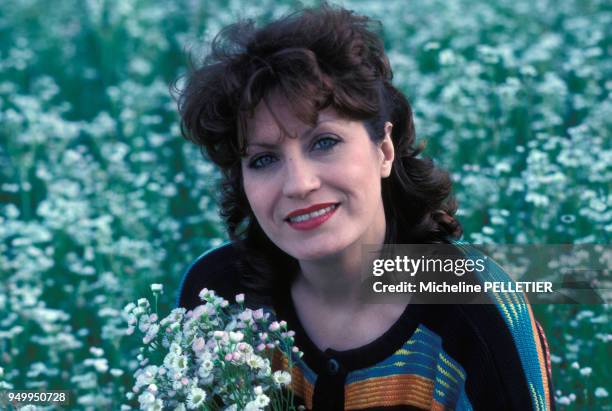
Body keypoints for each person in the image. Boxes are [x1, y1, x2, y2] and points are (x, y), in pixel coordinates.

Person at [174, 3, 554, 410]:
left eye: (324, 142)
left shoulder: (473, 307)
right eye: (263, 160)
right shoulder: (218, 293)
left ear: (384, 149)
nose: (300, 184)